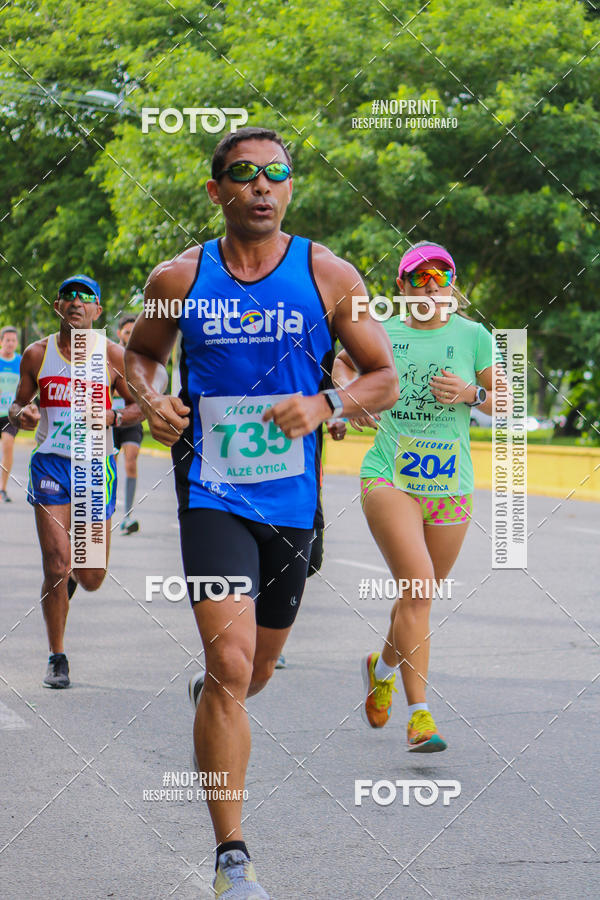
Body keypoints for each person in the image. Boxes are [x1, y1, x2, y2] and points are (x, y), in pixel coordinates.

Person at [124, 126, 398, 899]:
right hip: (211, 492)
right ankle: (232, 858)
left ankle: (217, 693)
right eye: (244, 174)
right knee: (232, 664)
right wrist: (152, 399)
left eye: (276, 173)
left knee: (258, 670)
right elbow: (141, 355)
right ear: (217, 191)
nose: (262, 186)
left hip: (291, 502)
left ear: (290, 187)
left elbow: (383, 377)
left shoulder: (329, 273)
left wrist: (327, 403)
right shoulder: (178, 277)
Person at [333, 241, 506, 752]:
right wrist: (349, 401)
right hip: (389, 477)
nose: (431, 286)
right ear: (401, 287)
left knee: (417, 597)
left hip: (451, 486)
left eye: (441, 277)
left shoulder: (473, 336)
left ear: (453, 286)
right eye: (419, 277)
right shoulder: (382, 331)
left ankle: (381, 668)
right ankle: (420, 716)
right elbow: (341, 364)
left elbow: (507, 401)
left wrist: (472, 394)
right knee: (419, 587)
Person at [8, 275, 142, 689]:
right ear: (57, 306)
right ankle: (57, 655)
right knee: (56, 563)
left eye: (86, 297)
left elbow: (140, 406)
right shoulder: (37, 353)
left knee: (90, 576)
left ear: (98, 310)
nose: (76, 302)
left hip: (95, 466)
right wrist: (23, 415)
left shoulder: (113, 355)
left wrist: (113, 416)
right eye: (68, 296)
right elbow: (18, 405)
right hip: (50, 464)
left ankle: (67, 578)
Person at [112, 315, 144, 534]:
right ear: (119, 333)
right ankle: (106, 510)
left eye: (133, 332)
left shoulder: (140, 357)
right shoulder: (110, 355)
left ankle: (128, 515)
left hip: (132, 417)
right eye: (127, 332)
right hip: (111, 418)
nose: (130, 335)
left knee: (131, 460)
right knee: (110, 465)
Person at [0, 326, 22, 503]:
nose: (10, 343)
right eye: (7, 340)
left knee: (8, 445)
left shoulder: (21, 362)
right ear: (1, 342)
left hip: (10, 414)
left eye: (13, 340)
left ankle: (2, 489)